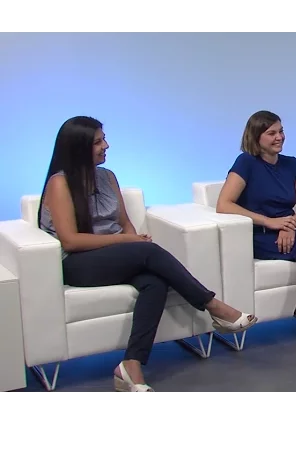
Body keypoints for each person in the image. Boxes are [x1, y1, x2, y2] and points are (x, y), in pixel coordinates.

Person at [38, 116, 258, 392]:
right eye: (97, 142)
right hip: (78, 263)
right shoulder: (60, 183)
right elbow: (70, 241)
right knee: (148, 251)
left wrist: (131, 240)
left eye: (104, 139)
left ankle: (130, 366)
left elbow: (123, 222)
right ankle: (213, 305)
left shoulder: (107, 177)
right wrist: (129, 242)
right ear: (78, 148)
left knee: (155, 282)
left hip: (114, 254)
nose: (106, 145)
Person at [216, 110, 296, 352]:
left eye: (281, 131)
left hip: (289, 229)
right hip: (262, 234)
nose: (280, 137)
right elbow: (224, 204)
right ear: (256, 137)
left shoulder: (292, 164)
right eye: (272, 133)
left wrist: (289, 224)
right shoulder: (246, 162)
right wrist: (270, 222)